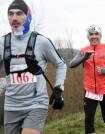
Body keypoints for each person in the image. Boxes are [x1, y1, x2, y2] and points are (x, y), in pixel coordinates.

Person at [0, 0, 67, 134]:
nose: (14, 18)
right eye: (10, 14)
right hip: (11, 106)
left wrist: (58, 89)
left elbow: (61, 64)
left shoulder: (41, 42)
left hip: (36, 104)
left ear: (28, 16)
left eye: (19, 13)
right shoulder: (3, 42)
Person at [69, 25, 105, 134]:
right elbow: (71, 65)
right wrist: (84, 57)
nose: (94, 36)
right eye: (91, 34)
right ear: (88, 37)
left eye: (96, 34)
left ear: (100, 36)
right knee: (88, 119)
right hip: (90, 90)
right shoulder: (83, 51)